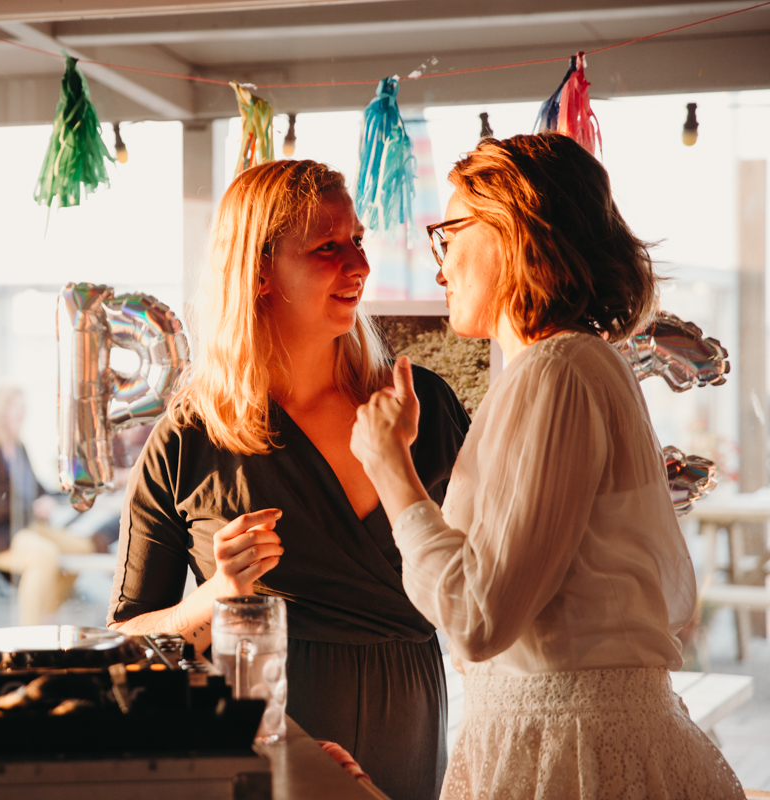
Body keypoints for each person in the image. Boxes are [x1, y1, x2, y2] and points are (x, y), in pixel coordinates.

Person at [350, 133, 744, 798]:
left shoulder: (558, 371)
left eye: (449, 234)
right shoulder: (569, 366)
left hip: (569, 756)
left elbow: (478, 618)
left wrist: (390, 467)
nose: (440, 268)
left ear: (513, 230)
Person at [107, 160, 470, 800]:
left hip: (413, 736)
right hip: (260, 748)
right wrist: (216, 595)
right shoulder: (188, 440)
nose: (359, 265)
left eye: (357, 240)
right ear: (260, 272)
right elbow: (125, 645)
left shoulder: (424, 407)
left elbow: (497, 585)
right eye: (328, 247)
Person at [0, 384, 99, 626]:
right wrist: (31, 507)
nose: (23, 413)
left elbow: (34, 488)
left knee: (82, 548)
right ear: (0, 410)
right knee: (43, 555)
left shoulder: (18, 446)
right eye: (16, 407)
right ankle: (30, 632)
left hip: (23, 526)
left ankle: (46, 614)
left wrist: (62, 493)